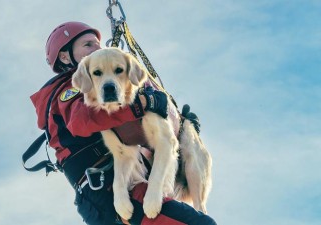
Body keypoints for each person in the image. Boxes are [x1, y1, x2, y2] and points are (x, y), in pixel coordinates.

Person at [30, 21, 216, 225]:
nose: (98, 49)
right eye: (88, 45)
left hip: (122, 192)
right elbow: (83, 120)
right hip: (111, 192)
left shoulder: (106, 81)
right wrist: (145, 103)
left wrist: (181, 131)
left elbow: (142, 139)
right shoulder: (68, 91)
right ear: (65, 56)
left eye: (97, 44)